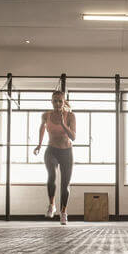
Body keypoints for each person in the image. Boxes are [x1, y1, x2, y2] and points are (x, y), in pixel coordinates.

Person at [33, 91, 76, 225]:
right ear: (51, 102)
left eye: (60, 101)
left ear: (64, 102)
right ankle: (52, 205)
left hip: (66, 152)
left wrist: (63, 124)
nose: (57, 103)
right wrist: (39, 145)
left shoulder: (70, 116)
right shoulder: (46, 115)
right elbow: (42, 128)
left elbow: (73, 137)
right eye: (55, 101)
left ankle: (63, 212)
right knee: (51, 176)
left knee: (65, 185)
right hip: (51, 150)